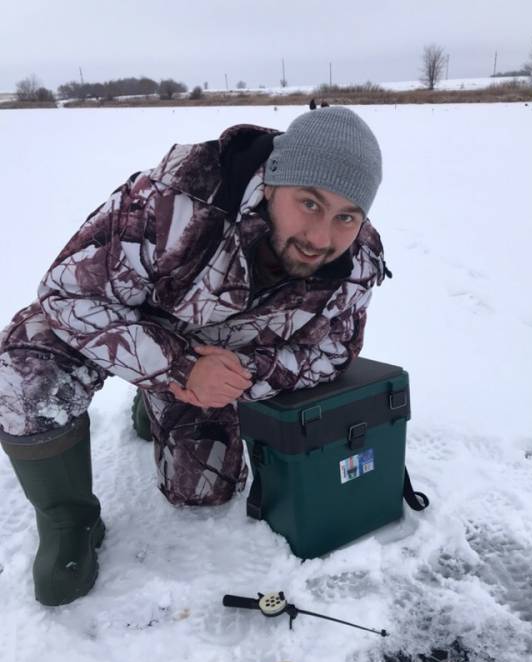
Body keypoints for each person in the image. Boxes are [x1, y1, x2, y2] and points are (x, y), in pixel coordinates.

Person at [0, 106, 386, 606]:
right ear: (272, 182)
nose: (320, 238)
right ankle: (68, 520)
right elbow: (65, 295)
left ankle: (155, 404)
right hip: (124, 321)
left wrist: (246, 374)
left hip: (218, 355)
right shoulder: (175, 200)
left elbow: (333, 350)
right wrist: (178, 368)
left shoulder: (357, 260)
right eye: (309, 204)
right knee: (24, 372)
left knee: (202, 491)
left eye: (345, 217)